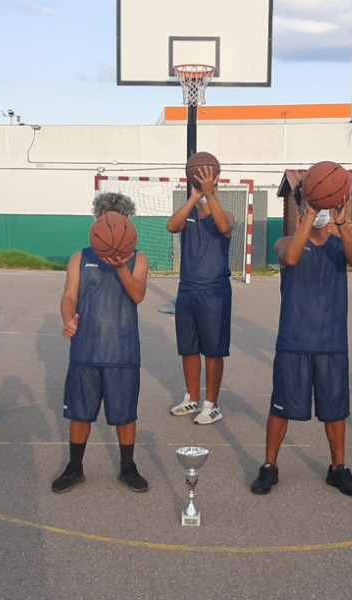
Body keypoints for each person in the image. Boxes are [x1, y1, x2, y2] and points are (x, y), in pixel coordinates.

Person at [250, 184, 352, 496]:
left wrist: (342, 222)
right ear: (300, 208)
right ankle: (269, 466)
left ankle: (338, 468)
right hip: (294, 341)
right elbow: (289, 258)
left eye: (325, 205)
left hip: (332, 342)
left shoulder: (339, 245)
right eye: (313, 205)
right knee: (281, 407)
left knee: (335, 410)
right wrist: (308, 214)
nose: (321, 211)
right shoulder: (286, 241)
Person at [51, 192, 150, 493]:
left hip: (122, 350)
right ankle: (75, 467)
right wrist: (69, 320)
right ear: (97, 223)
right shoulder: (80, 258)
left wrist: (120, 266)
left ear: (128, 223)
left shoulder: (138, 259)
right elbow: (69, 297)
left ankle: (127, 467)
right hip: (86, 348)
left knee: (125, 414)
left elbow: (138, 295)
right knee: (80, 412)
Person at [166, 163, 235, 424]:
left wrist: (210, 195)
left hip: (214, 291)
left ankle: (212, 404)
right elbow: (172, 226)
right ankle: (192, 398)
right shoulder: (189, 215)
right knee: (189, 348)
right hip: (187, 289)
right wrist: (195, 196)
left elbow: (224, 227)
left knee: (214, 351)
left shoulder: (225, 213)